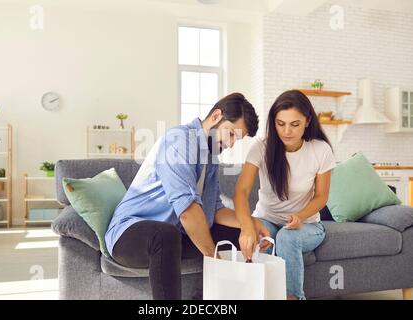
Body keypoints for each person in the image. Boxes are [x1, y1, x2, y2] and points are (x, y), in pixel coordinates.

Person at [105, 92, 266, 300]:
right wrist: (212, 255)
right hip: (129, 235)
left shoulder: (211, 157)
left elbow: (215, 210)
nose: (232, 144)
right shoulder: (179, 141)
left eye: (238, 139)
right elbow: (188, 212)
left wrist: (249, 224)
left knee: (237, 238)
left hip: (174, 235)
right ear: (216, 116)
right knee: (164, 235)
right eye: (232, 134)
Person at [234, 89, 336, 300]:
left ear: (307, 121)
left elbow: (322, 196)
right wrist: (247, 227)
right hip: (267, 219)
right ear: (274, 122)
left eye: (295, 124)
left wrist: (300, 216)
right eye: (281, 124)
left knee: (287, 238)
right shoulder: (261, 148)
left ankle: (293, 297)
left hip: (307, 224)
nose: (287, 131)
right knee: (265, 239)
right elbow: (241, 191)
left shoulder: (320, 150)